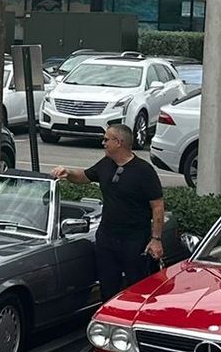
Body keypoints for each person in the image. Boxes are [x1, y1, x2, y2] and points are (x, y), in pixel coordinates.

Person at [51, 123, 165, 301]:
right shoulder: (106, 164)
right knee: (107, 287)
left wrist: (156, 239)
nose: (103, 143)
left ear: (118, 142)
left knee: (137, 288)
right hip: (107, 237)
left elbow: (157, 206)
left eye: (106, 139)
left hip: (134, 240)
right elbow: (85, 176)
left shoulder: (144, 171)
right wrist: (68, 173)